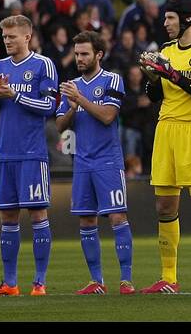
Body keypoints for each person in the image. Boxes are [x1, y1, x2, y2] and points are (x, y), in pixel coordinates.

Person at [137, 0, 191, 294]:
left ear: (186, 19)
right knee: (164, 205)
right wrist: (150, 77)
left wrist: (170, 74)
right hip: (166, 128)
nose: (165, 23)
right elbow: (155, 95)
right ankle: (168, 278)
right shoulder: (165, 50)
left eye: (169, 18)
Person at [0, 14, 59, 298]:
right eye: (4, 37)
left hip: (31, 154)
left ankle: (39, 283)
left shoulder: (43, 64)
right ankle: (9, 284)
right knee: (8, 216)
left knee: (37, 213)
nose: (7, 41)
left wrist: (13, 95)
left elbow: (49, 105)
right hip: (4, 153)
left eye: (11, 37)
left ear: (27, 36)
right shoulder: (0, 66)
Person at [55, 32, 134, 295]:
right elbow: (60, 126)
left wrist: (79, 100)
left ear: (99, 55)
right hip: (82, 162)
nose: (79, 58)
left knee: (117, 216)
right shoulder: (71, 85)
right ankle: (96, 281)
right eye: (77, 53)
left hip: (108, 161)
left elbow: (108, 116)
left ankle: (126, 280)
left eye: (85, 53)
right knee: (86, 221)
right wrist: (69, 108)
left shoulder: (113, 80)